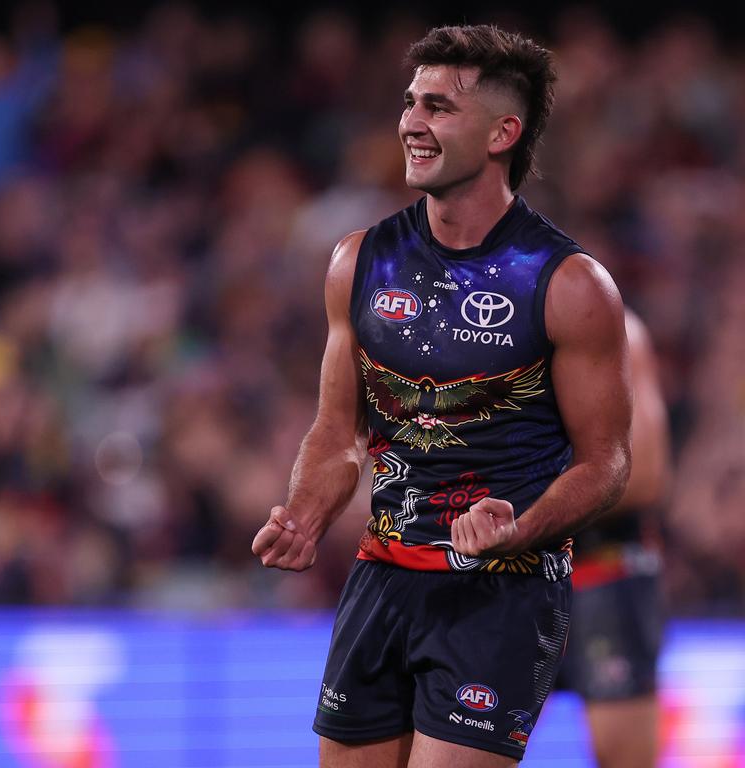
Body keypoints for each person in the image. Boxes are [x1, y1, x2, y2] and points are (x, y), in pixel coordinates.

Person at [251, 24, 632, 768]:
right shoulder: (357, 261)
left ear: (502, 133)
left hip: (503, 595)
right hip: (381, 579)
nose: (411, 123)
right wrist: (304, 511)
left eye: (438, 107)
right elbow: (336, 435)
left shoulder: (569, 285)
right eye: (410, 102)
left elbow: (607, 463)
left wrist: (521, 525)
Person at [552, 310, 669, 768]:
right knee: (469, 739)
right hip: (513, 571)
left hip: (603, 568)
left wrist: (526, 502)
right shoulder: (483, 335)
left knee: (624, 757)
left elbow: (645, 477)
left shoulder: (617, 329)